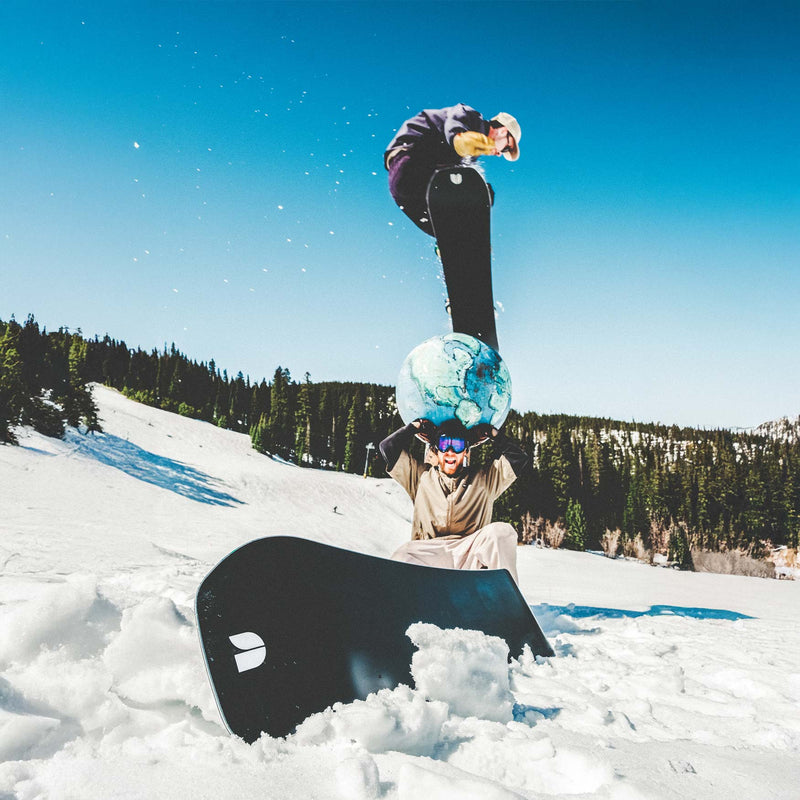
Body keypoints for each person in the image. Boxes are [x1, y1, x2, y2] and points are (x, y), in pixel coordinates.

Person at [379, 417, 529, 582]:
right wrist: (416, 427)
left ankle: (503, 599)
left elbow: (518, 458)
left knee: (501, 533)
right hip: (430, 553)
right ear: (437, 450)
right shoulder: (420, 477)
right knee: (403, 554)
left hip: (469, 553)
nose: (450, 452)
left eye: (457, 445)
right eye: (444, 445)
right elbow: (388, 448)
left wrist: (492, 433)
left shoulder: (485, 479)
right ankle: (399, 601)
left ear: (465, 451)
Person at [384, 103, 521, 235]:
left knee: (437, 224)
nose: (499, 154)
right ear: (504, 131)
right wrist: (459, 140)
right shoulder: (471, 117)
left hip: (401, 186)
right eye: (506, 148)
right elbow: (454, 125)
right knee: (483, 193)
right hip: (411, 159)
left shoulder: (474, 150)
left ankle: (450, 242)